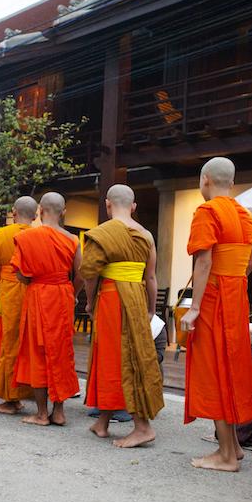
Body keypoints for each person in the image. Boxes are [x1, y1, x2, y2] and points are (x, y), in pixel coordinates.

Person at [180, 157, 252, 471]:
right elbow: (251, 264)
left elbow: (203, 262)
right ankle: (235, 447)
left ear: (205, 180)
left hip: (214, 298)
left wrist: (196, 306)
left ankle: (227, 454)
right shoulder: (245, 214)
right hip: (236, 294)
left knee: (214, 368)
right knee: (231, 366)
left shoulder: (207, 211)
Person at [81, 185, 164, 447]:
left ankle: (142, 427)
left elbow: (89, 275)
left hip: (111, 298)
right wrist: (151, 308)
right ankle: (102, 422)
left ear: (107, 205)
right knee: (125, 355)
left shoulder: (101, 234)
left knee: (117, 357)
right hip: (137, 298)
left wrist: (90, 303)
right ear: (134, 206)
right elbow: (151, 277)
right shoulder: (146, 235)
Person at [12, 192, 81, 426]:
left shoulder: (28, 236)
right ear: (64, 212)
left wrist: (37, 282)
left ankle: (42, 413)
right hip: (63, 294)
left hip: (38, 294)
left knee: (37, 351)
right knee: (60, 351)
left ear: (40, 210)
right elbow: (80, 272)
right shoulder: (72, 240)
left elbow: (20, 274)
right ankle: (59, 412)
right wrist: (72, 290)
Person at [0, 196, 38, 414]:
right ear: (35, 216)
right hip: (33, 291)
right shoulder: (39, 236)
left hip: (7, 291)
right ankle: (30, 391)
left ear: (14, 212)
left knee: (7, 343)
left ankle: (10, 399)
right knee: (29, 343)